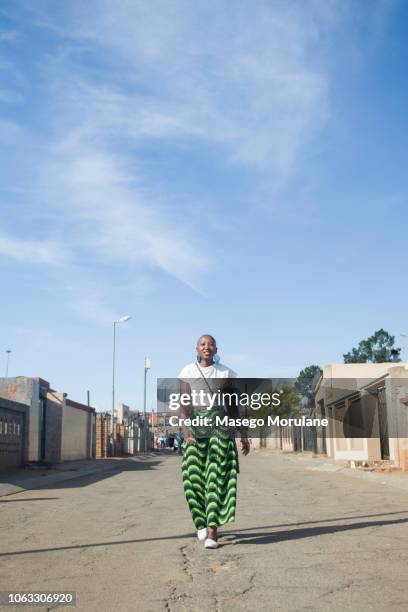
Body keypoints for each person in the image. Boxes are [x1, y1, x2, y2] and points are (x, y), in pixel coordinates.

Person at [178, 334, 250, 550]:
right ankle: (200, 520)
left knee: (217, 477)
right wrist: (186, 432)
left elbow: (232, 406)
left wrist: (242, 434)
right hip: (196, 426)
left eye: (210, 344)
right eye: (202, 344)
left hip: (220, 426)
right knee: (191, 475)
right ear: (196, 349)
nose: (206, 347)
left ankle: (212, 531)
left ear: (217, 349)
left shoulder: (225, 373)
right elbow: (184, 406)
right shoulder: (187, 372)